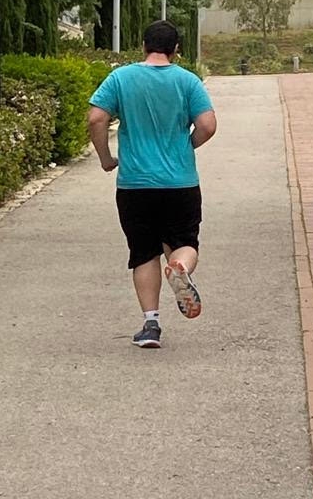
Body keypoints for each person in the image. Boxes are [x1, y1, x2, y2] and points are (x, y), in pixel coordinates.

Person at [88, 20, 217, 349]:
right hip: (180, 183)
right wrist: (188, 145)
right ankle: (180, 266)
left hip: (135, 184)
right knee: (185, 242)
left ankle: (150, 325)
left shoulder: (121, 78)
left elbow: (96, 118)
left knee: (143, 253)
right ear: (176, 50)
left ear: (143, 45)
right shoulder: (188, 81)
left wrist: (105, 158)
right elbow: (207, 125)